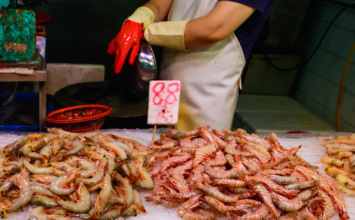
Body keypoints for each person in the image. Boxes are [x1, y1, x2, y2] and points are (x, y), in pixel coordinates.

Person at [109, 0, 272, 130]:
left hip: (207, 95)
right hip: (168, 85)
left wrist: (144, 32)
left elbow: (213, 28)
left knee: (199, 160)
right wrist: (138, 20)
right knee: (157, 149)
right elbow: (158, 5)